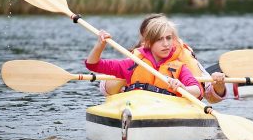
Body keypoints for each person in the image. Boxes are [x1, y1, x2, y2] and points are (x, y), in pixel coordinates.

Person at [86, 15, 215, 100]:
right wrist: (100, 45)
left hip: (165, 112)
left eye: (169, 38)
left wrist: (183, 88)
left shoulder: (180, 67)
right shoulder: (133, 63)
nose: (166, 44)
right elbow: (93, 65)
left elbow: (197, 90)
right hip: (137, 110)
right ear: (148, 42)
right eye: (159, 40)